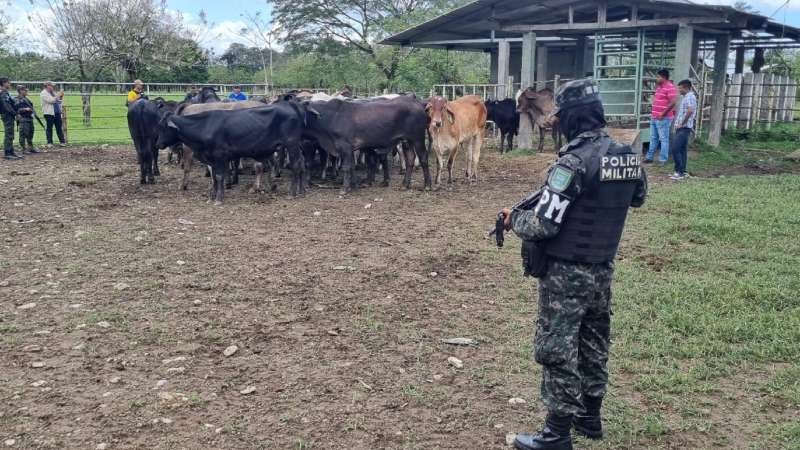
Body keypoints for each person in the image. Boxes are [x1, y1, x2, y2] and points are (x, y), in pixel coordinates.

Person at [499, 79, 647, 450]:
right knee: (594, 339)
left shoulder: (573, 162)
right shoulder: (625, 154)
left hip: (566, 272)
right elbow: (639, 197)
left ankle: (556, 433)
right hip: (602, 268)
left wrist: (512, 220)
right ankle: (590, 417)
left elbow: (544, 224)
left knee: (557, 346)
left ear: (572, 119)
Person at [645, 69, 678, 164]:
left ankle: (663, 159)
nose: (657, 79)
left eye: (658, 77)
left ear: (663, 77)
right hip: (655, 116)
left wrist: (663, 114)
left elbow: (673, 102)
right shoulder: (659, 87)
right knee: (653, 137)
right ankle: (649, 157)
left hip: (664, 118)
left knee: (663, 139)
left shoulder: (670, 87)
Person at [670, 79, 697, 181]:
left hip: (684, 128)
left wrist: (682, 123)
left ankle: (679, 172)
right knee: (682, 150)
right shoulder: (688, 96)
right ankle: (682, 171)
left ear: (686, 88)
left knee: (675, 148)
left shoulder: (689, 96)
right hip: (684, 127)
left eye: (680, 88)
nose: (679, 90)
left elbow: (690, 110)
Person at [0, 77, 21, 160]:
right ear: (4, 83)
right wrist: (15, 113)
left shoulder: (6, 93)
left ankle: (11, 151)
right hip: (7, 115)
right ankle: (7, 153)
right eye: (8, 82)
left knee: (11, 133)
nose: (10, 84)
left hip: (9, 115)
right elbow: (7, 106)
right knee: (9, 134)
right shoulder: (3, 93)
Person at [40, 82, 66, 148]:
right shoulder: (43, 93)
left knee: (59, 128)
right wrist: (58, 95)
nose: (53, 87)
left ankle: (62, 142)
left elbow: (58, 101)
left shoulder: (52, 93)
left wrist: (61, 96)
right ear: (48, 86)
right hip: (49, 113)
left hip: (57, 112)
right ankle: (49, 142)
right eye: (52, 86)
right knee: (49, 128)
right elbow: (51, 100)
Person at [14, 85, 39, 155]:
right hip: (23, 119)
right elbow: (15, 109)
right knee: (23, 134)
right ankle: (23, 149)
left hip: (29, 118)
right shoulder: (16, 99)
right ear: (21, 91)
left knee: (30, 133)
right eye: (25, 90)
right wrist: (24, 109)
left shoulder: (26, 99)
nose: (26, 91)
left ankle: (30, 147)